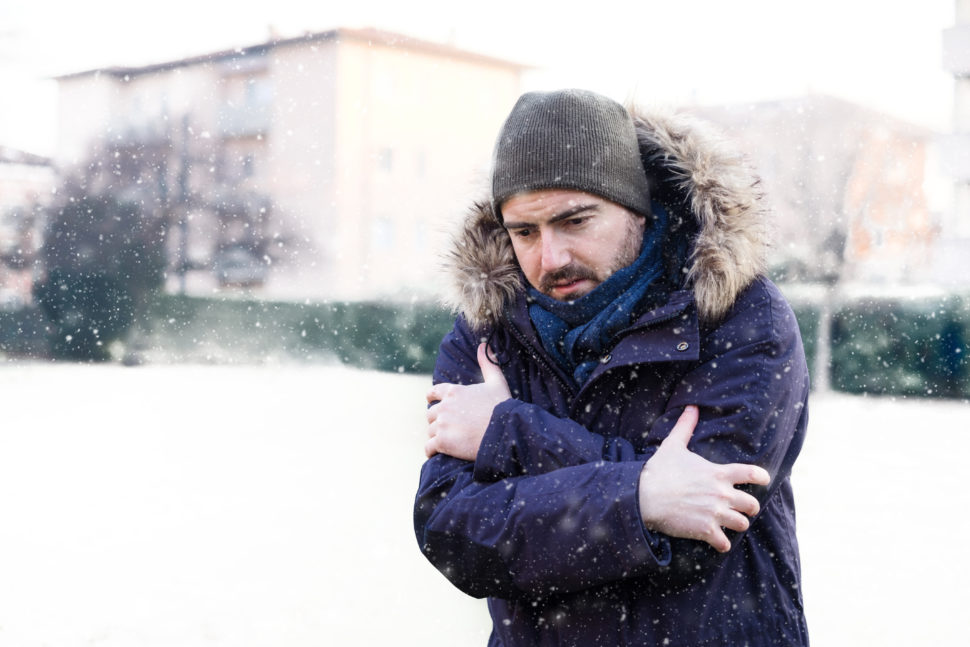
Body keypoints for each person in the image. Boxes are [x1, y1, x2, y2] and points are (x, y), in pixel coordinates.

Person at [414, 89, 809, 646]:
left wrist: (508, 430)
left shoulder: (742, 316)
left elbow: (703, 531)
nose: (550, 258)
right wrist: (643, 496)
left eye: (574, 221)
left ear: (638, 208)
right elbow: (452, 534)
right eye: (524, 232)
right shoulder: (487, 329)